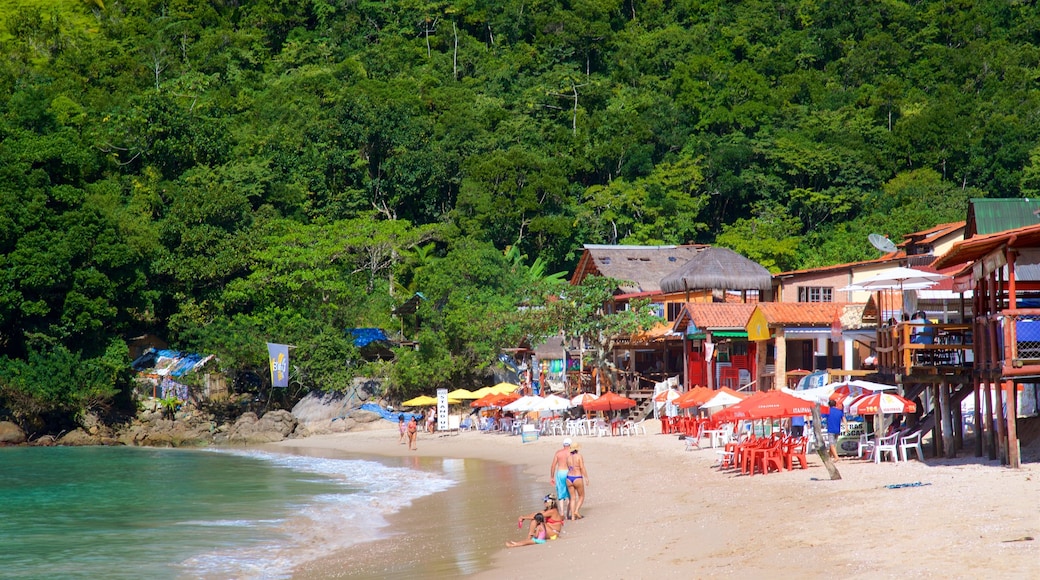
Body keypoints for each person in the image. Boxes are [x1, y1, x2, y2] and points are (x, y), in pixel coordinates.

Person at [565, 443, 589, 520]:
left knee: (572, 498)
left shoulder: (568, 457)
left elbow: (569, 467)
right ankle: (576, 511)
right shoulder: (579, 456)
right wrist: (586, 478)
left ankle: (572, 517)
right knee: (581, 496)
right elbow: (582, 467)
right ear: (577, 449)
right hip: (577, 477)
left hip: (569, 477)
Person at [550, 439, 572, 518]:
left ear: (563, 445)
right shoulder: (571, 453)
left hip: (560, 472)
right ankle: (568, 514)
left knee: (561, 494)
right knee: (570, 494)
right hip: (569, 472)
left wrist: (552, 477)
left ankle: (562, 513)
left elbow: (553, 466)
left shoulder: (558, 453)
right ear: (570, 445)